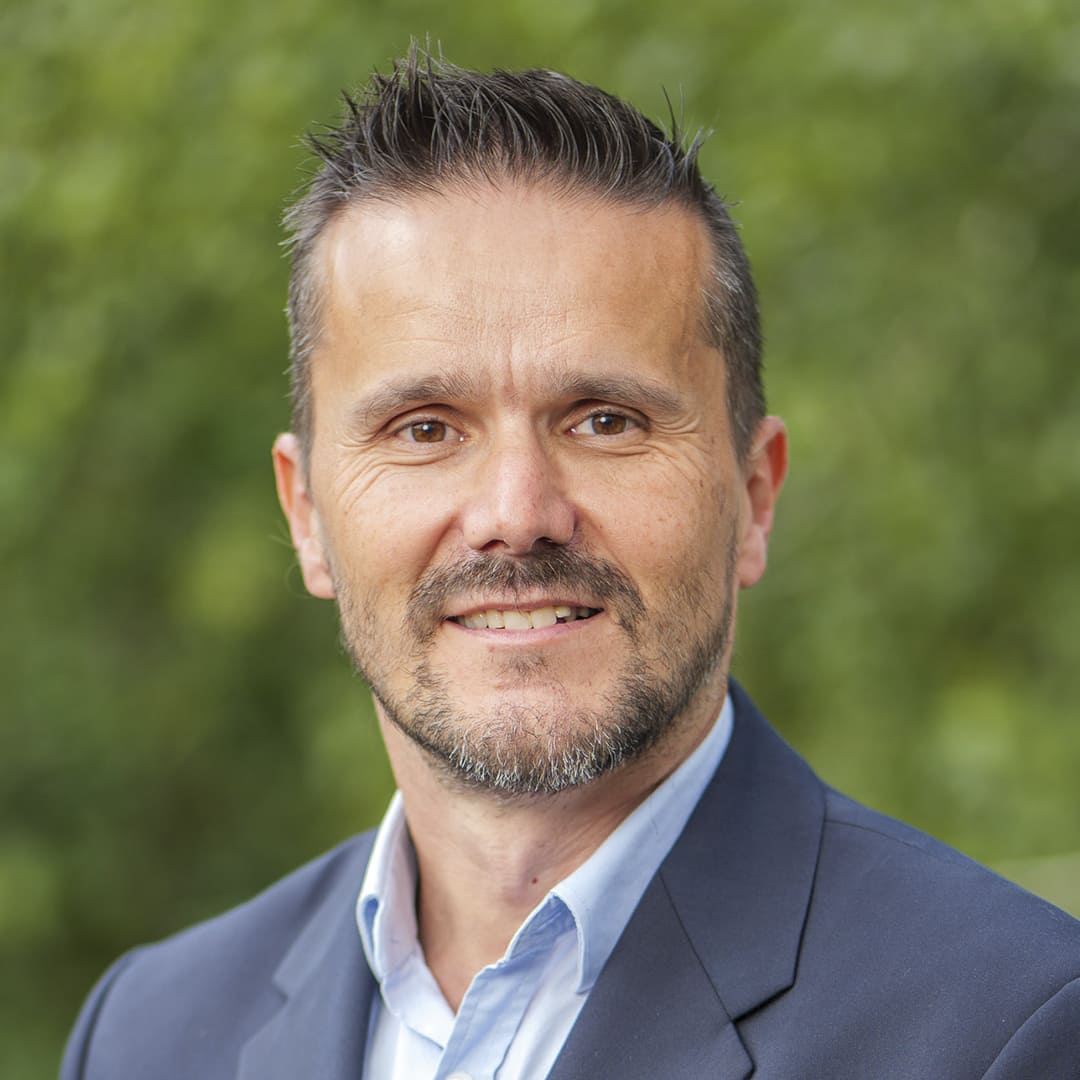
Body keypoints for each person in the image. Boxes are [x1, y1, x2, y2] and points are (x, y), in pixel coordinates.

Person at [62, 49, 1080, 1080]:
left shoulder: (1012, 1028)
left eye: (605, 420)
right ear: (306, 515)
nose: (517, 515)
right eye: (425, 428)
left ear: (754, 495)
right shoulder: (145, 1035)